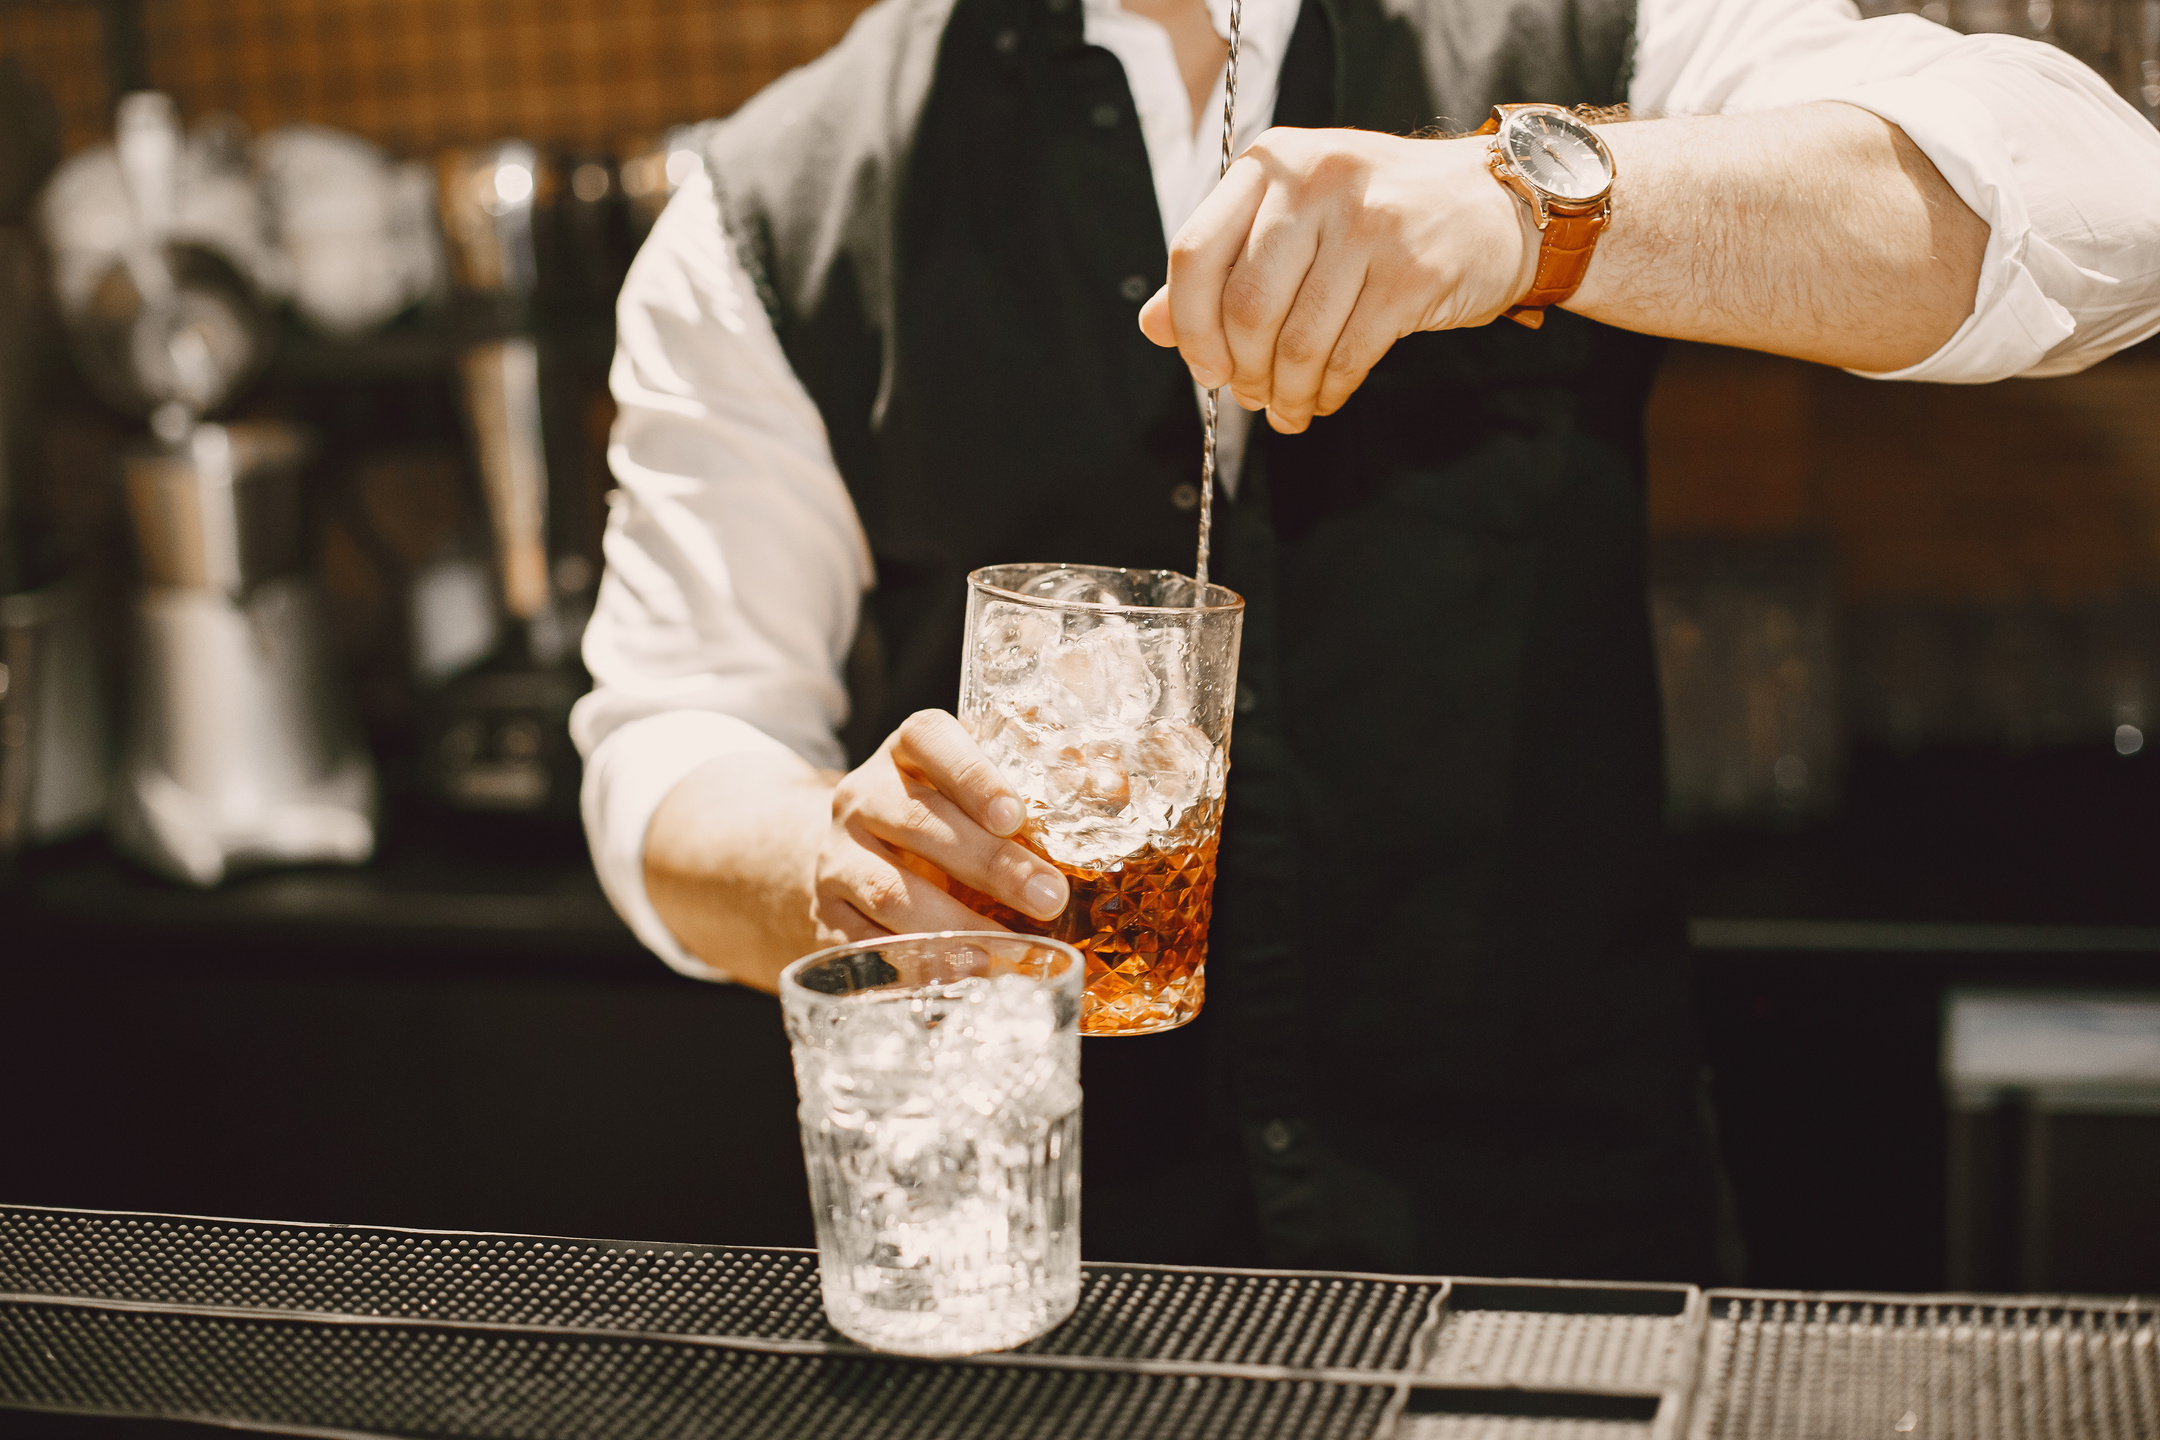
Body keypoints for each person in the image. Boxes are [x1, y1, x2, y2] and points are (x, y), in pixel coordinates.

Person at [571, 0, 2160, 1280]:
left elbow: (2104, 216)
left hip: (1552, 1277)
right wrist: (825, 864)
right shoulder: (776, 199)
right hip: (1055, 1301)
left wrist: (1535, 207)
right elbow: (672, 735)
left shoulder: (1579, 31)